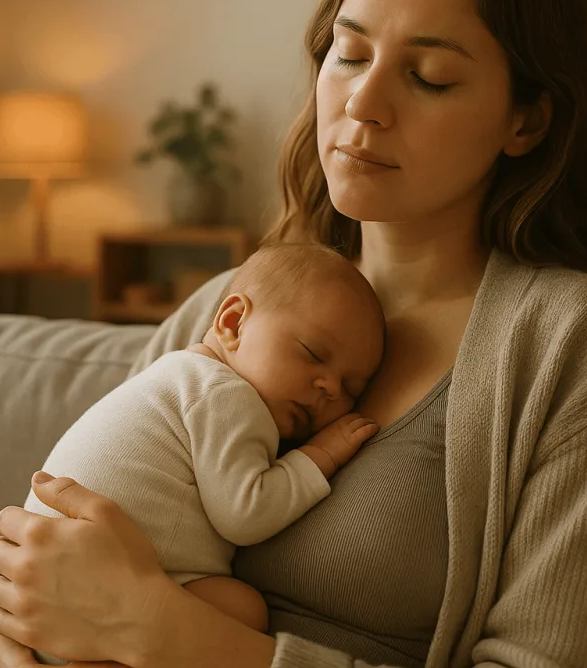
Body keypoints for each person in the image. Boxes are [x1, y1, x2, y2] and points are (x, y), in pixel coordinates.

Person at [0, 0, 587, 668]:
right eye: (349, 55)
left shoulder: (582, 349)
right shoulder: (229, 308)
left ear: (527, 120)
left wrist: (166, 633)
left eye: (429, 77)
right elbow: (37, 565)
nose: (364, 102)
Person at [21, 243, 385, 664]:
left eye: (352, 388)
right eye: (313, 354)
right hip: (87, 587)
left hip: (42, 590)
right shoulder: (228, 395)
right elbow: (245, 514)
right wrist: (320, 455)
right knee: (245, 608)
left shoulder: (177, 373)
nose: (331, 388)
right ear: (233, 323)